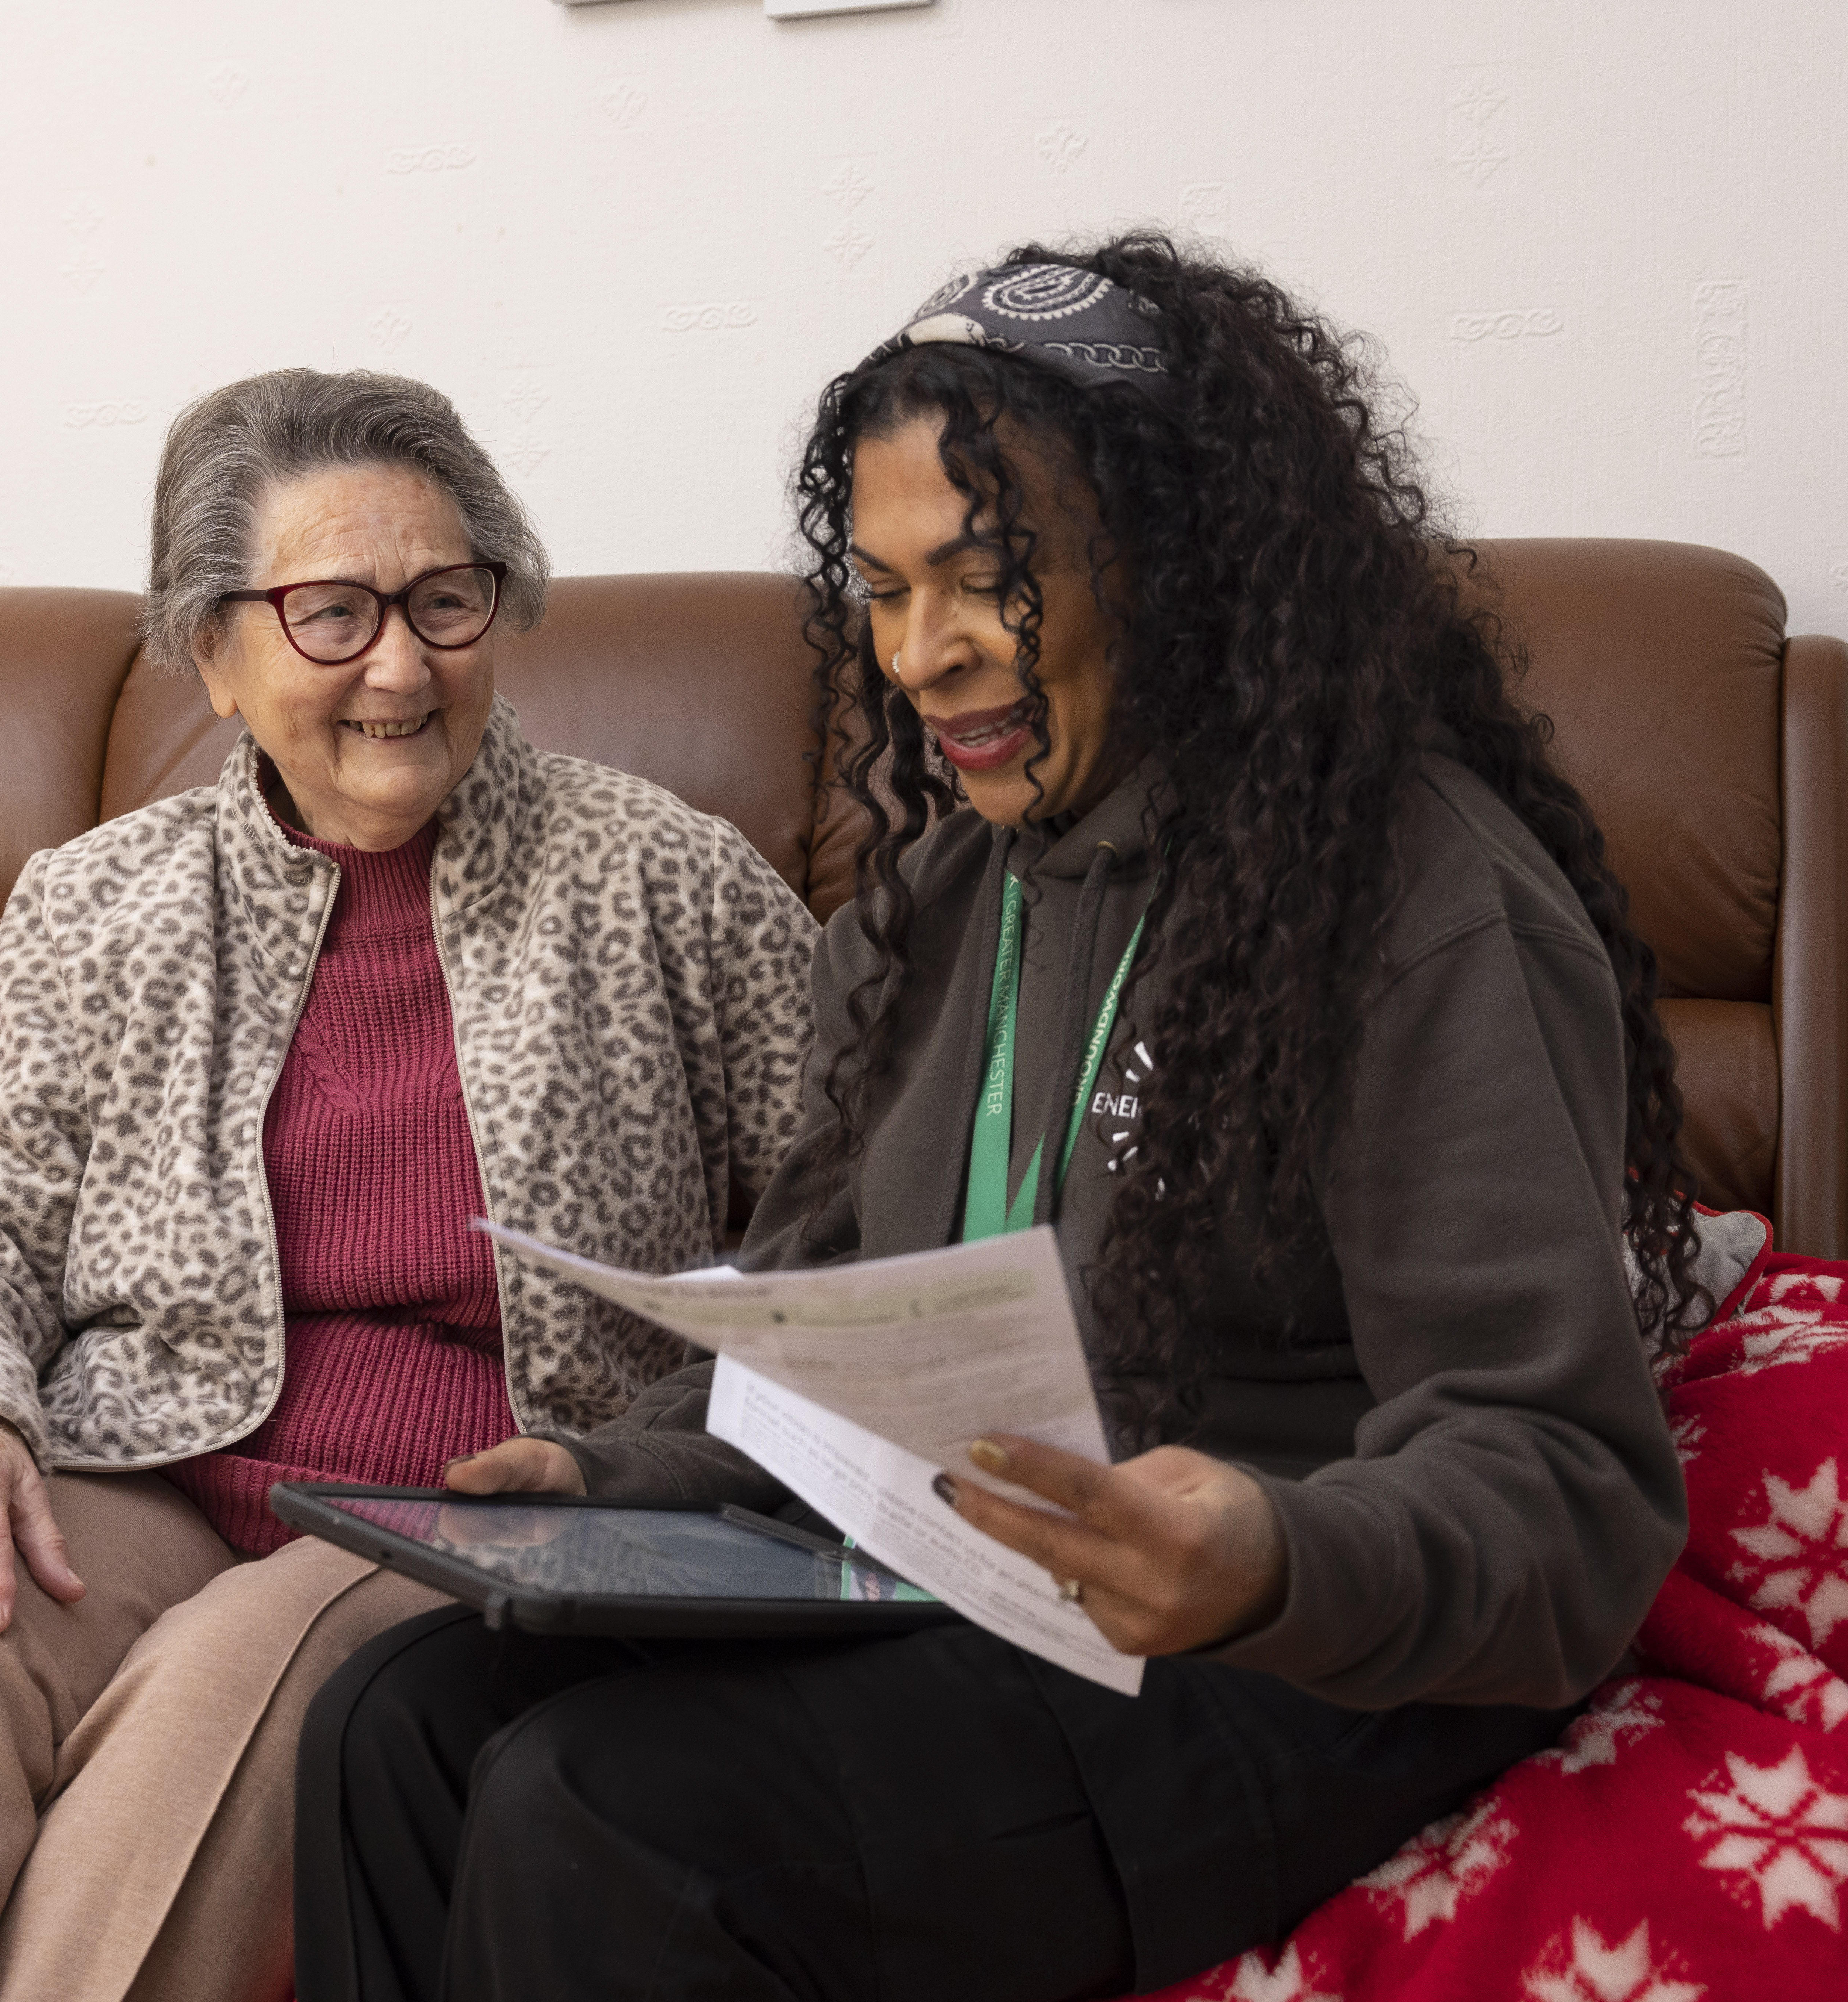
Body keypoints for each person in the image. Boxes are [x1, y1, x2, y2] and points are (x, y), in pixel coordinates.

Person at [295, 238, 1704, 2001]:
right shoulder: (934, 904)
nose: (924, 655)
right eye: (883, 593)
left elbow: (1566, 1494)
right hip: (969, 1570)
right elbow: (833, 1333)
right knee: (387, 1723)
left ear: (1181, 565)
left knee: (606, 1812)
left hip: (1290, 1647)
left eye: (989, 578)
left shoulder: (1411, 905)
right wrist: (609, 1478)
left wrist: (1267, 1554)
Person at [0, 368, 820, 2002]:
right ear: (213, 657)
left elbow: (848, 1247)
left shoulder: (668, 883)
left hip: (467, 1496)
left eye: (446, 599)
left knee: (229, 1705)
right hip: (142, 1464)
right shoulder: (98, 904)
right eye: (329, 613)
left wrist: (640, 1462)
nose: (399, 662)